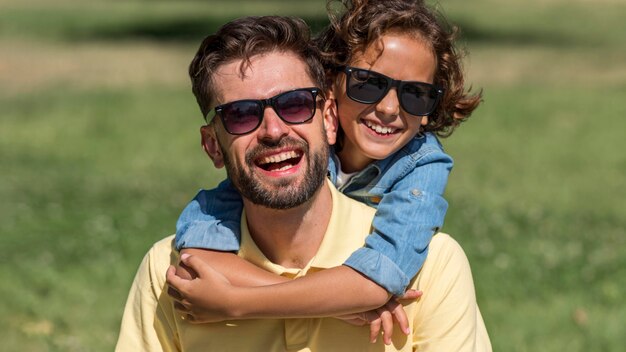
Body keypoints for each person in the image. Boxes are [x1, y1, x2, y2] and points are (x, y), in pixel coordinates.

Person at [116, 14, 490, 351]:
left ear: (327, 118)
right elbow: (193, 253)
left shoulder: (432, 266)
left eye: (294, 104)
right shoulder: (170, 272)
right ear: (213, 146)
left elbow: (375, 281)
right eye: (241, 114)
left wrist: (235, 302)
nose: (274, 131)